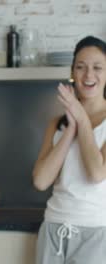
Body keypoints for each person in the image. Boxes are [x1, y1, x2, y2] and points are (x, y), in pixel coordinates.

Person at [32, 35, 106, 264]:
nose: (88, 75)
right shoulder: (57, 124)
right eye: (80, 67)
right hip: (53, 228)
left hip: (95, 232)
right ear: (72, 72)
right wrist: (71, 128)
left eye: (97, 68)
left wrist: (81, 118)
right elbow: (41, 181)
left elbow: (96, 173)